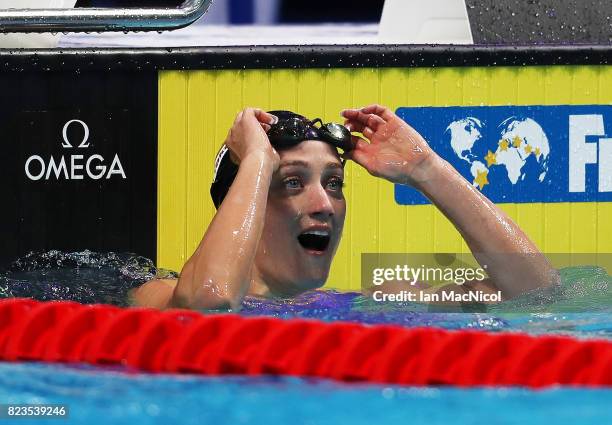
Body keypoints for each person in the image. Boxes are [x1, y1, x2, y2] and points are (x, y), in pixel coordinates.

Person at [132, 105, 557, 310]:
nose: (324, 204)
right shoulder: (158, 294)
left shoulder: (368, 306)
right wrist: (259, 161)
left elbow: (536, 293)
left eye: (334, 184)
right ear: (244, 198)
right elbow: (212, 302)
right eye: (292, 182)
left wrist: (427, 170)